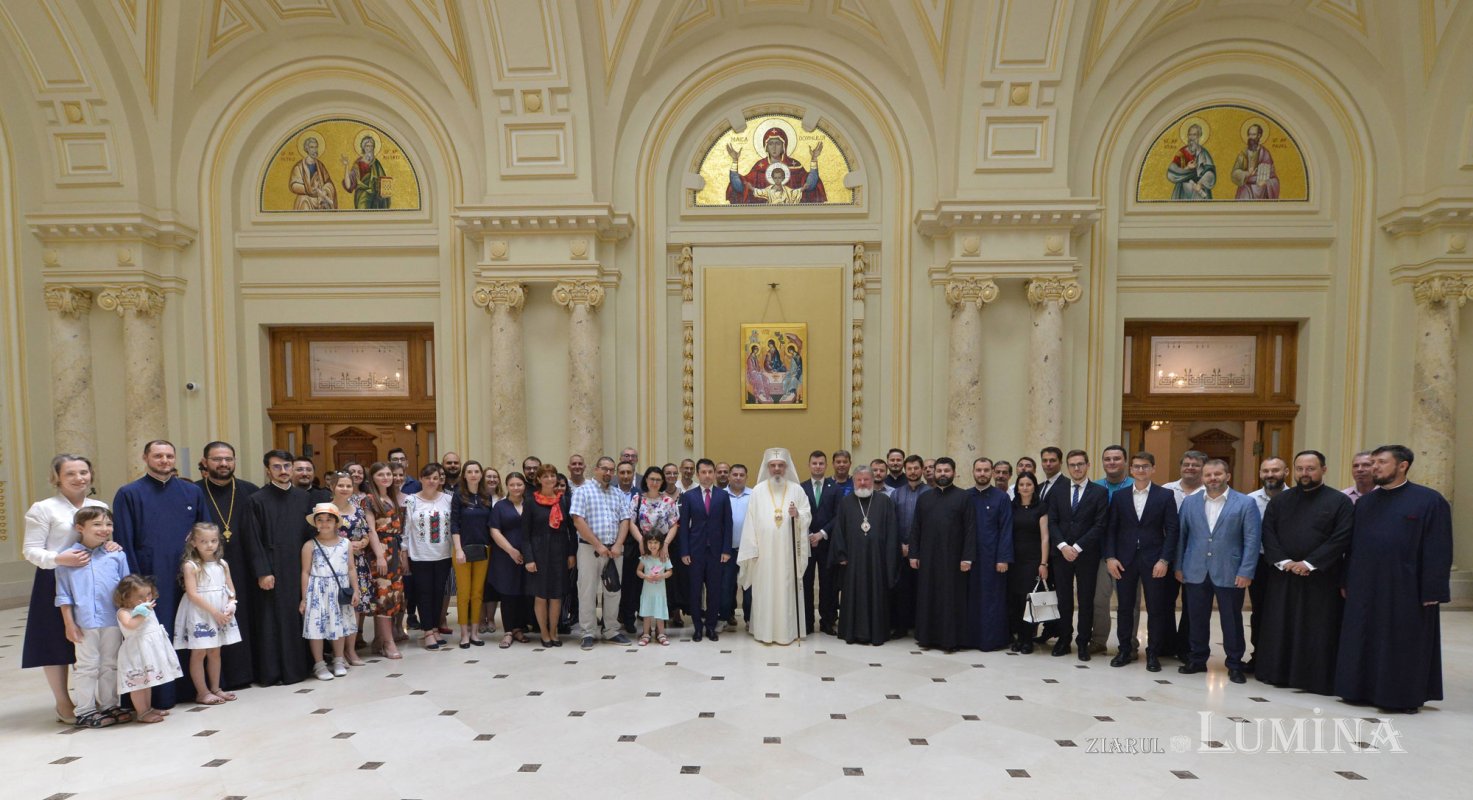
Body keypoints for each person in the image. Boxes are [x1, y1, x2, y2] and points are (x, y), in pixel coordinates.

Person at [1336, 445, 1452, 712]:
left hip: (1406, 587)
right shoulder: (1365, 503)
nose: (1374, 467)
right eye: (1373, 462)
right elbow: (1353, 547)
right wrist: (1346, 580)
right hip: (1365, 585)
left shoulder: (1429, 501)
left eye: (1381, 462)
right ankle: (1358, 689)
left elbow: (1439, 549)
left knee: (1400, 641)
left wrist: (1432, 590)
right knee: (1363, 636)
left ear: (1403, 466)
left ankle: (1399, 696)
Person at [112, 440, 208, 707]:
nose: (164, 460)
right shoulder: (129, 493)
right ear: (145, 458)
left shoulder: (191, 492)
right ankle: (158, 698)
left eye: (169, 455)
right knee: (152, 636)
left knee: (190, 631)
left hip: (187, 574)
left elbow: (205, 534)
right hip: (150, 576)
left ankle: (190, 690)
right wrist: (134, 585)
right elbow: (125, 539)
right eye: (158, 456)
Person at [23, 454, 112, 724]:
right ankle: (63, 702)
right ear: (57, 478)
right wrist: (60, 558)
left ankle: (88, 697)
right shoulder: (43, 508)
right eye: (70, 473)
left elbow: (105, 537)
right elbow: (30, 550)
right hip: (54, 579)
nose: (78, 478)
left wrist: (111, 545)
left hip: (92, 580)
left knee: (90, 638)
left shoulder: (99, 505)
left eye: (83, 472)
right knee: (55, 641)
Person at [1256, 450, 1353, 695]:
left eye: (1310, 468)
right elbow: (1268, 533)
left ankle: (1314, 678)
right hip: (1283, 576)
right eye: (1300, 468)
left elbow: (1341, 537)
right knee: (1280, 625)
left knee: (1317, 628)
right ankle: (1278, 673)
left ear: (1323, 470)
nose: (1305, 473)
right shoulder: (1280, 501)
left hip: (1320, 578)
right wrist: (1284, 561)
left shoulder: (1338, 501)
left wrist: (1310, 563)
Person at [1175, 459, 1261, 684]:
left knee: (1231, 620)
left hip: (1230, 571)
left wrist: (1246, 571)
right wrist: (1179, 566)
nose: (1213, 478)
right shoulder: (1190, 503)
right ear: (1202, 478)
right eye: (1208, 475)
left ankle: (1234, 663)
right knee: (1196, 618)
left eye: (1217, 474)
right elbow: (1181, 537)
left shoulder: (1245, 503)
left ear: (1227, 476)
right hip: (1195, 569)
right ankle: (1197, 659)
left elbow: (1252, 540)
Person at [242, 449, 316, 686]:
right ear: (268, 470)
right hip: (272, 569)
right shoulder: (256, 500)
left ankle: (298, 669)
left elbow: (310, 536)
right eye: (277, 467)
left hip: (298, 567)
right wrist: (263, 571)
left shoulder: (303, 498)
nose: (283, 471)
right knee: (271, 621)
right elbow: (252, 538)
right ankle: (273, 672)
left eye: (287, 466)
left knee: (298, 616)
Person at [1103, 452, 1179, 672]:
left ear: (1153, 469)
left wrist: (1165, 559)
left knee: (1156, 609)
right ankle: (1124, 649)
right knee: (1125, 608)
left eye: (1145, 467)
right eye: (1136, 467)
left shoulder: (1165, 495)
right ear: (1131, 469)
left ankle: (1153, 653)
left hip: (1154, 560)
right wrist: (1110, 557)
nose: (1141, 470)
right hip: (1124, 560)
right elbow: (1111, 529)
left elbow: (1172, 530)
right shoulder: (1120, 496)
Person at [54, 507, 130, 728]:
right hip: (85, 622)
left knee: (110, 663)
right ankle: (85, 709)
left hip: (113, 620)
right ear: (80, 528)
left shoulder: (117, 555)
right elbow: (63, 596)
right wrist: (69, 624)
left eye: (108, 524)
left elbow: (127, 587)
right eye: (97, 524)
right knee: (87, 665)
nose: (104, 529)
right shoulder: (68, 559)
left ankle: (109, 705)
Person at [195, 442, 259, 689]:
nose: (223, 464)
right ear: (205, 462)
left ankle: (245, 674)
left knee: (243, 619)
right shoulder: (195, 492)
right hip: (207, 571)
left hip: (244, 566)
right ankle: (217, 681)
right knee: (213, 621)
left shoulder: (250, 491)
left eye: (228, 459)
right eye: (217, 459)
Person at [737, 448, 813, 645]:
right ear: (767, 467)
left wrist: (798, 514)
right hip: (764, 554)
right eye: (773, 466)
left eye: (780, 466)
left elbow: (807, 515)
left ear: (786, 467)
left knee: (786, 588)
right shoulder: (758, 490)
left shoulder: (797, 490)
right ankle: (764, 631)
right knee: (765, 590)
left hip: (788, 553)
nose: (777, 469)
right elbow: (750, 521)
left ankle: (787, 632)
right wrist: (752, 549)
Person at [1044, 450, 1109, 660]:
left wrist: (1077, 547)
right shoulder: (1058, 491)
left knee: (1086, 599)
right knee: (1063, 599)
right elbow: (1052, 522)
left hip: (1087, 554)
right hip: (1061, 554)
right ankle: (1064, 639)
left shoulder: (1099, 492)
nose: (1076, 468)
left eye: (1080, 464)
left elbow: (1100, 525)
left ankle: (1083, 642)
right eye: (1072, 465)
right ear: (1067, 467)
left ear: (1088, 465)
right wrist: (1063, 546)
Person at [829, 466, 900, 646]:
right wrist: (841, 554)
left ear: (872, 480)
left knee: (877, 594)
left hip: (877, 560)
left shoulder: (884, 501)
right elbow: (838, 531)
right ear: (854, 482)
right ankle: (852, 632)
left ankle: (877, 633)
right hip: (853, 560)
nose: (862, 483)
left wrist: (889, 559)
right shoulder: (846, 502)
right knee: (853, 594)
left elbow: (892, 532)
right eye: (859, 480)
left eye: (866, 479)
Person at [570, 457, 635, 649]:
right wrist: (598, 545)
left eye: (611, 470)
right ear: (596, 469)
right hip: (590, 549)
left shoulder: (617, 494)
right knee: (587, 591)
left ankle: (611, 630)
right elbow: (578, 520)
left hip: (614, 551)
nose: (608, 473)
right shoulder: (583, 491)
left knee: (613, 590)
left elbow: (625, 520)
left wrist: (618, 544)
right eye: (604, 469)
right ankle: (588, 632)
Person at [173, 523, 242, 704]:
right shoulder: (191, 565)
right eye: (204, 541)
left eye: (213, 541)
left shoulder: (222, 564)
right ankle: (202, 692)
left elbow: (230, 589)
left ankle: (216, 688)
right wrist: (214, 613)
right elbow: (192, 594)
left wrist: (231, 604)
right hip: (201, 613)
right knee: (199, 653)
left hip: (220, 612)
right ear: (194, 542)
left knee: (215, 651)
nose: (209, 545)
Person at [910, 458, 974, 652]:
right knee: (928, 596)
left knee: (951, 598)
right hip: (928, 557)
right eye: (939, 470)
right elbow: (916, 528)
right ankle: (927, 638)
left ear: (954, 473)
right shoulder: (925, 498)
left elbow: (970, 529)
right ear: (933, 473)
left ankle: (950, 640)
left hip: (954, 559)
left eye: (947, 470)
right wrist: (914, 554)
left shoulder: (964, 497)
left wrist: (967, 557)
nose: (943, 474)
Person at [300, 503, 360, 680]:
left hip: (339, 590)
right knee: (316, 627)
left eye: (328, 520)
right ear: (315, 523)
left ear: (336, 523)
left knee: (338, 625)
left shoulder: (345, 544)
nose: (324, 524)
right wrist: (304, 598)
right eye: (320, 520)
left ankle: (339, 659)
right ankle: (319, 664)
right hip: (317, 591)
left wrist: (355, 590)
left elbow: (351, 568)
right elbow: (305, 572)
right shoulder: (310, 545)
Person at [114, 575, 183, 724]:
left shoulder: (146, 608)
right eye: (140, 596)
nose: (146, 599)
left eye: (148, 594)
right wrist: (142, 613)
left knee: (147, 681)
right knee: (139, 684)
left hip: (150, 651)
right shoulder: (123, 612)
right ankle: (141, 712)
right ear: (126, 596)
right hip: (136, 653)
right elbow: (131, 625)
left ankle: (148, 708)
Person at [678, 459, 733, 642]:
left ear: (715, 473)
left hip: (717, 552)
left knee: (714, 590)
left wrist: (726, 549)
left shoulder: (723, 496)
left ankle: (711, 626)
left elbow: (728, 524)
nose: (707, 475)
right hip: (695, 551)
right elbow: (684, 526)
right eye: (704, 472)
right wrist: (684, 551)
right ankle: (697, 628)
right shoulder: (689, 496)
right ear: (698, 474)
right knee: (695, 591)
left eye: (711, 472)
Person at [522, 465, 575, 647]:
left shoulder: (563, 501)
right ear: (538, 479)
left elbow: (571, 529)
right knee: (541, 596)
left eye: (553, 475)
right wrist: (529, 558)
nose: (550, 479)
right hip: (538, 553)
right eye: (545, 476)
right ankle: (544, 633)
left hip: (559, 552)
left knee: (556, 595)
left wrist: (571, 554)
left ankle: (554, 631)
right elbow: (525, 534)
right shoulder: (530, 501)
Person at [1245, 457, 1289, 670]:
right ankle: (1259, 656)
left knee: (1287, 611)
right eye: (1266, 471)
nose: (1270, 475)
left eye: (1275, 470)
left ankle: (1285, 659)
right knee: (1260, 611)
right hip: (1261, 563)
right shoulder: (1250, 500)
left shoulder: (1296, 498)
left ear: (1286, 472)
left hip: (1290, 565)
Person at [1163, 450, 1207, 659]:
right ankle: (1167, 644)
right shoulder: (1166, 490)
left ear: (1203, 468)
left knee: (1192, 604)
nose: (1190, 467)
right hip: (1168, 554)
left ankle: (1186, 647)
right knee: (1165, 601)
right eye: (1187, 464)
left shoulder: (1210, 492)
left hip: (1197, 556)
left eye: (1195, 465)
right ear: (1180, 467)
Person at [403, 463, 452, 650]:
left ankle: (435, 627)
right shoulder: (411, 500)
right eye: (428, 478)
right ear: (421, 479)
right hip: (420, 555)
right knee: (424, 593)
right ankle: (428, 631)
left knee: (438, 593)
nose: (432, 481)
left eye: (435, 478)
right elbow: (405, 529)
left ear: (440, 480)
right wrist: (404, 552)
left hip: (443, 554)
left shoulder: (447, 499)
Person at [966, 458, 1013, 651]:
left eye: (986, 470)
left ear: (992, 472)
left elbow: (1006, 529)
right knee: (971, 599)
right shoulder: (965, 496)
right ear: (973, 472)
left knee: (992, 600)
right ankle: (970, 639)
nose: (982, 474)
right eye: (979, 470)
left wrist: (1003, 558)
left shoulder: (1001, 498)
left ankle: (991, 640)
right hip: (969, 558)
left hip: (993, 559)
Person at [1090, 445, 1132, 655]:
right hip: (1100, 554)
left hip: (1129, 556)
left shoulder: (1137, 486)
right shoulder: (1095, 487)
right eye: (1108, 459)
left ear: (1125, 462)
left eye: (1116, 459)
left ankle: (1130, 643)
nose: (1112, 462)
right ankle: (1098, 640)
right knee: (1099, 600)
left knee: (1129, 602)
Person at [326, 472, 370, 665]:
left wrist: (363, 542)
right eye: (341, 485)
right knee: (337, 610)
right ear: (333, 487)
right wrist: (344, 545)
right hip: (335, 567)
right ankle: (338, 654)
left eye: (348, 486)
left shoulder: (358, 510)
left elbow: (366, 533)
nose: (345, 489)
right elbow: (320, 536)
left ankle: (351, 651)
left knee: (354, 609)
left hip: (357, 566)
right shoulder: (326, 510)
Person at [361, 462, 403, 659]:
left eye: (388, 474)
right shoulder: (369, 500)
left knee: (394, 596)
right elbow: (370, 530)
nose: (386, 477)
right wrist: (379, 555)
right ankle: (388, 642)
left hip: (394, 549)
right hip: (381, 550)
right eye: (381, 474)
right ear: (373, 478)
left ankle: (379, 640)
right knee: (384, 596)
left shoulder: (392, 498)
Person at [450, 461, 493, 648]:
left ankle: (475, 632)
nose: (473, 474)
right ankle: (464, 634)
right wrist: (458, 549)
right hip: (462, 550)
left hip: (483, 548)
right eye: (470, 471)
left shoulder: (486, 497)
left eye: (477, 471)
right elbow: (454, 524)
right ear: (464, 475)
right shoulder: (459, 496)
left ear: (481, 474)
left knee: (477, 593)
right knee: (464, 593)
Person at [813, 448, 855, 636]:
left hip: (841, 541)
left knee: (833, 584)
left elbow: (841, 514)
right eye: (838, 461)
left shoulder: (855, 484)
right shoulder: (826, 484)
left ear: (849, 463)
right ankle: (816, 620)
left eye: (844, 461)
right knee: (817, 583)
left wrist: (823, 533)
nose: (841, 465)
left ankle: (834, 619)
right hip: (818, 541)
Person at [1006, 473, 1049, 653]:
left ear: (1034, 487)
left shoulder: (1041, 507)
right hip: (1013, 559)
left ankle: (1028, 639)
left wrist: (1043, 563)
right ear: (1017, 488)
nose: (1025, 487)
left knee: (1029, 600)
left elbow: (1045, 537)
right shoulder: (1011, 506)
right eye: (1021, 484)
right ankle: (1018, 638)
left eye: (1028, 484)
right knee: (1015, 601)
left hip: (1032, 560)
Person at [490, 473, 533, 648]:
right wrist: (511, 550)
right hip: (505, 556)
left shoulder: (530, 504)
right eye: (513, 485)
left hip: (528, 555)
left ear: (524, 486)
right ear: (507, 486)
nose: (516, 488)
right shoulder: (500, 506)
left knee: (524, 591)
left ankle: (519, 628)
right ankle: (508, 631)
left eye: (520, 484)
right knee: (508, 592)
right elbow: (494, 531)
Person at [889, 455, 929, 638]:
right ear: (905, 470)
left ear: (922, 470)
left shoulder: (930, 493)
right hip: (900, 551)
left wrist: (914, 547)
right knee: (901, 591)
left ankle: (920, 627)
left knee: (922, 591)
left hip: (923, 552)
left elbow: (930, 525)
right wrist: (900, 546)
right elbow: (892, 522)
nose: (913, 472)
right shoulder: (896, 494)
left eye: (916, 468)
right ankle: (901, 627)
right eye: (910, 468)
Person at [799, 450, 833, 634]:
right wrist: (809, 534)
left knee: (827, 584)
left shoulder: (833, 487)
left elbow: (838, 516)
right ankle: (807, 622)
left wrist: (821, 533)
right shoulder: (800, 488)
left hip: (827, 543)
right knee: (807, 583)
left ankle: (827, 622)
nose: (818, 466)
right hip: (806, 544)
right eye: (814, 463)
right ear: (809, 465)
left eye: (821, 463)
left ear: (826, 466)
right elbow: (798, 515)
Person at [723, 464, 754, 628]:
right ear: (729, 477)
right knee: (727, 586)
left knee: (749, 587)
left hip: (748, 550)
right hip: (728, 550)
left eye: (741, 475)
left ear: (746, 477)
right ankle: (727, 616)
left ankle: (750, 619)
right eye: (734, 474)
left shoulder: (754, 495)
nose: (738, 477)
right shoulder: (721, 495)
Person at [637, 533, 674, 646]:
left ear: (661, 544)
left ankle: (661, 634)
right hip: (647, 592)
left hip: (659, 592)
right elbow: (638, 571)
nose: (653, 545)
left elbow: (670, 571)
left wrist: (662, 576)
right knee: (646, 613)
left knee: (660, 613)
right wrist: (645, 576)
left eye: (656, 543)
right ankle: (646, 634)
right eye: (650, 542)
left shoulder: (664, 558)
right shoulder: (644, 558)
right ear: (646, 544)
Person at [1167, 123, 1216, 199]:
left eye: (1194, 135)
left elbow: (1211, 172)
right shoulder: (1181, 152)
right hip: (1183, 192)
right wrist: (1187, 168)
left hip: (1199, 191)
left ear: (1199, 136)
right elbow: (1171, 173)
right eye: (1190, 135)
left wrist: (1200, 183)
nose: (1191, 138)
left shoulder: (1204, 153)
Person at [1230, 124, 1279, 199]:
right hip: (1245, 190)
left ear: (1259, 136)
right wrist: (1247, 173)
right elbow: (1234, 174)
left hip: (1262, 191)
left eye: (1253, 134)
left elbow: (1273, 178)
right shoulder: (1243, 154)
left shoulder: (1265, 154)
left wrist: (1266, 182)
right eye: (1249, 134)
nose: (1250, 137)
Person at [288, 134, 337, 209]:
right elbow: (294, 185)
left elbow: (328, 182)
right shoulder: (299, 167)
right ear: (306, 149)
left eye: (316, 147)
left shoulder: (320, 165)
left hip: (320, 197)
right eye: (312, 147)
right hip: (306, 197)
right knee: (303, 200)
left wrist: (325, 191)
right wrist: (310, 190)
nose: (315, 150)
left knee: (326, 204)